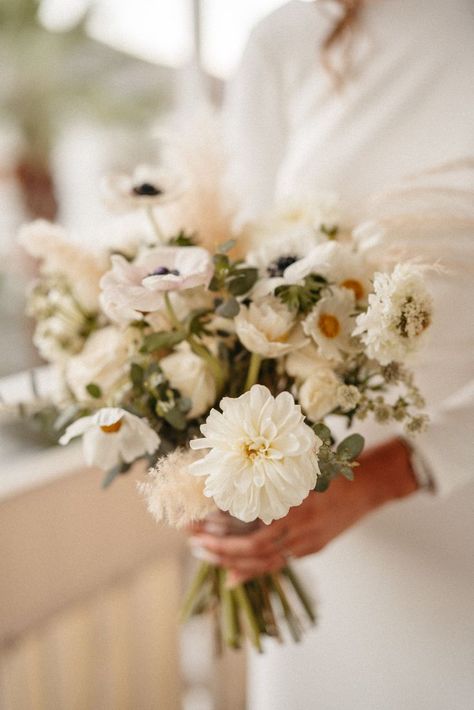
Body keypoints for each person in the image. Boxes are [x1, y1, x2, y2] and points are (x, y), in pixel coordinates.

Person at [190, 2, 474, 708]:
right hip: (317, 534)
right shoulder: (286, 40)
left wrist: (389, 474)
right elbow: (235, 276)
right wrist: (222, 463)